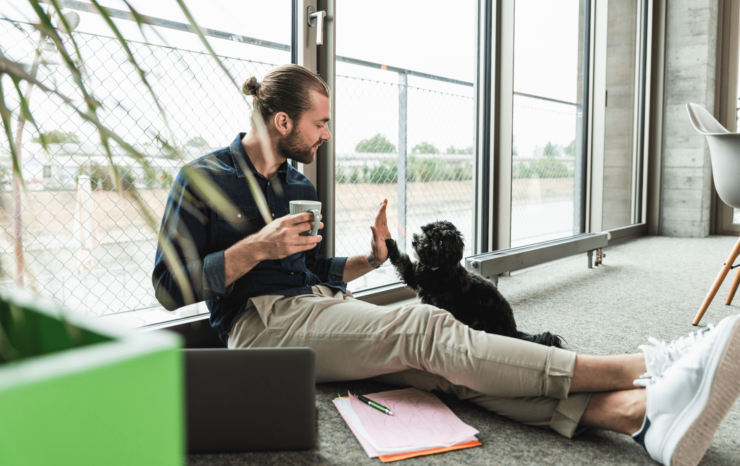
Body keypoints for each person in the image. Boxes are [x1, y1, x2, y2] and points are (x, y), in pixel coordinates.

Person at [153, 64, 740, 466]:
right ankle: (645, 365)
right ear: (283, 123)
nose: (327, 134)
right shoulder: (203, 179)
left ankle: (637, 417)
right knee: (424, 326)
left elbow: (304, 275)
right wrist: (257, 245)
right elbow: (167, 288)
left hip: (311, 309)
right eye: (320, 123)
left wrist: (368, 259)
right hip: (257, 330)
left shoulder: (296, 182)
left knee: (444, 371)